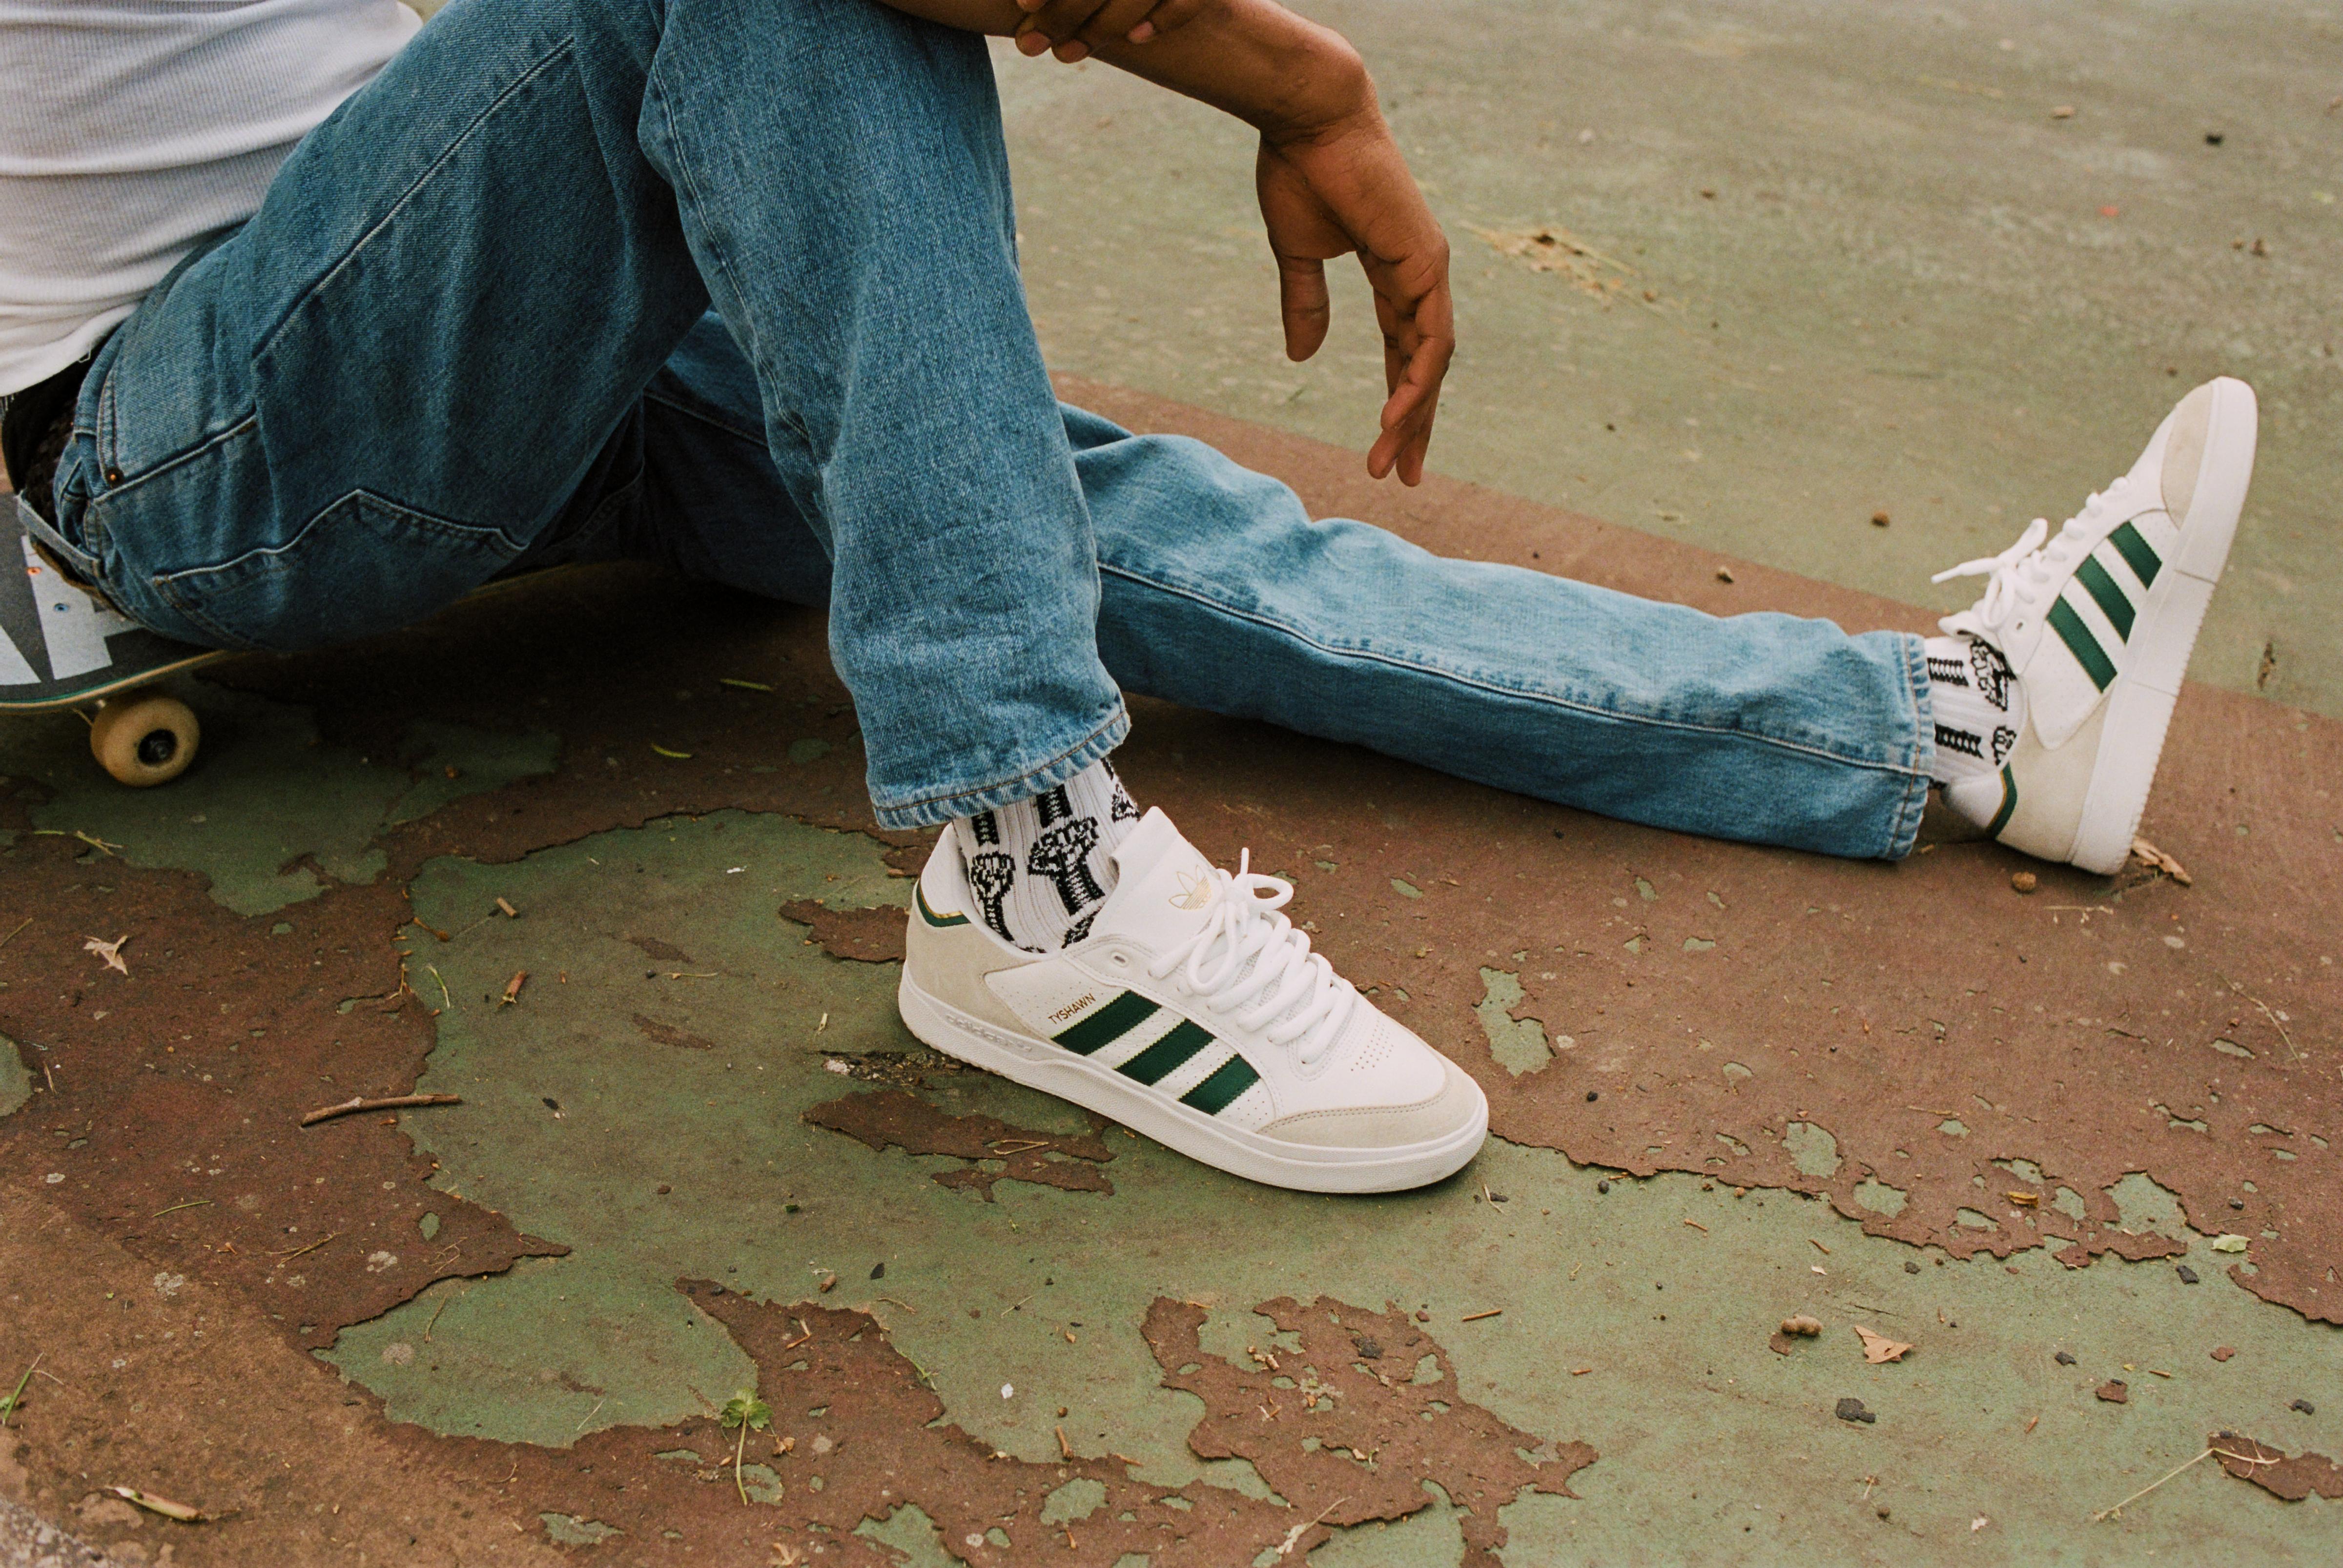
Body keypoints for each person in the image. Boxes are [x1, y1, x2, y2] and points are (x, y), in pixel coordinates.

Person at [0, 0, 2256, 1193]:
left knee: (1112, 528)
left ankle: (1957, 721)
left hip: (486, 330)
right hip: (187, 445)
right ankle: (1035, 874)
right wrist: (1303, 83)